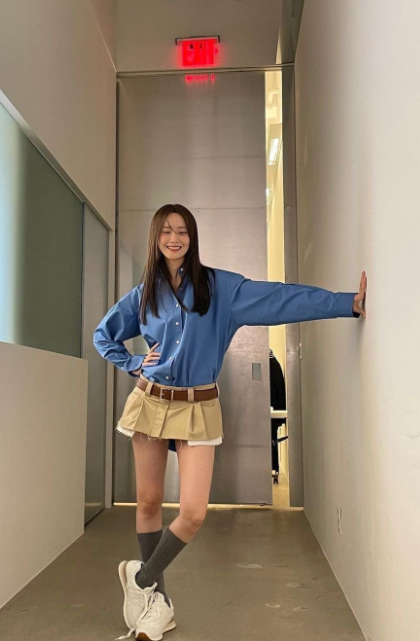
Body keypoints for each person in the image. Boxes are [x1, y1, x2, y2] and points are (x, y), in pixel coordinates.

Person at [93, 204, 367, 641]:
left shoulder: (221, 288)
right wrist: (132, 362)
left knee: (192, 513)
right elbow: (103, 335)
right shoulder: (144, 293)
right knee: (148, 502)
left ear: (192, 237)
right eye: (166, 231)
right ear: (155, 238)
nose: (174, 238)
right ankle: (158, 605)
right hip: (151, 401)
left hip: (198, 405)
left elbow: (280, 298)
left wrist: (345, 304)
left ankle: (140, 579)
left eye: (183, 231)